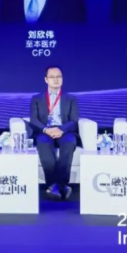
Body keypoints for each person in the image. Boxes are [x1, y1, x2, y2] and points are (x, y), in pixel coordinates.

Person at [30, 65, 79, 200]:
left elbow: (74, 120)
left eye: (59, 77)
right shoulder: (37, 99)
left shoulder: (71, 99)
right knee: (43, 145)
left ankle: (60, 185)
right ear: (46, 80)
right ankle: (54, 185)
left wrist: (61, 129)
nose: (56, 80)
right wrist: (46, 130)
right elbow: (33, 119)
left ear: (62, 79)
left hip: (64, 131)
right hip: (45, 131)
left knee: (69, 143)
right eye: (52, 77)